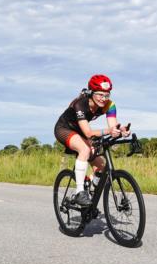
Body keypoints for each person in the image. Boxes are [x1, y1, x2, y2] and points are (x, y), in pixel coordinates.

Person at [54, 74, 128, 207]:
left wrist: (120, 130)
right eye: (100, 94)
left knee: (101, 165)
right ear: (91, 92)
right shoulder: (80, 104)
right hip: (64, 128)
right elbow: (88, 132)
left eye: (107, 95)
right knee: (85, 149)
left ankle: (91, 184)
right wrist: (109, 131)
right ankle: (80, 192)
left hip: (81, 131)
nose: (104, 99)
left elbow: (112, 127)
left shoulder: (110, 105)